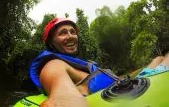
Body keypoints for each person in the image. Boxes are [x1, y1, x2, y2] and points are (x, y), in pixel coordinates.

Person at [29, 18, 169, 107]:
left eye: (72, 32)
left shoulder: (85, 66)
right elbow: (61, 100)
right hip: (129, 98)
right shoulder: (53, 65)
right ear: (51, 43)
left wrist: (138, 71)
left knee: (158, 59)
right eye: (63, 33)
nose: (70, 36)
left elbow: (118, 80)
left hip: (127, 86)